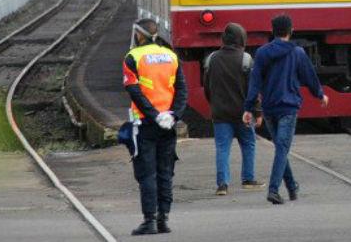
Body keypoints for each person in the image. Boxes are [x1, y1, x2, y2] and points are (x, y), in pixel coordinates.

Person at [243, 15, 329, 205]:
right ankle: (273, 190)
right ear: (291, 31)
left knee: (281, 148)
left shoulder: (262, 53)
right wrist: (320, 94)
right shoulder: (297, 53)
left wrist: (249, 107)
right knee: (282, 148)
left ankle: (291, 187)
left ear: (273, 31)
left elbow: (255, 82)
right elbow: (309, 76)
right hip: (288, 107)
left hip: (269, 107)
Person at [122, 19, 187, 235]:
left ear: (139, 35)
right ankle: (163, 220)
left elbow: (134, 91)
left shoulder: (133, 57)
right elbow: (181, 90)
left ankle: (149, 220)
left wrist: (154, 115)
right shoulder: (171, 56)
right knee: (165, 172)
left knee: (146, 173)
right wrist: (173, 115)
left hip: (145, 124)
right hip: (168, 124)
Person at [202, 23, 264, 196]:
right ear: (242, 39)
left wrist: (214, 104)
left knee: (222, 148)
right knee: (249, 144)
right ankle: (248, 179)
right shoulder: (246, 59)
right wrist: (258, 112)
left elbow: (207, 87)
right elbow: (253, 90)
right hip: (243, 114)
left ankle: (222, 185)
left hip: (220, 114)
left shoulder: (212, 59)